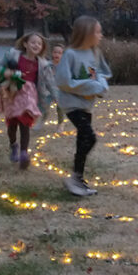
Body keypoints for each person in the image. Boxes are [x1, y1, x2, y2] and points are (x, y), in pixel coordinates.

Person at [56, 16, 112, 197]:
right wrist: (91, 86)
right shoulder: (70, 54)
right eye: (97, 31)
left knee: (82, 140)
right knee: (89, 137)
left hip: (87, 104)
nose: (101, 35)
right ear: (86, 33)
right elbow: (63, 81)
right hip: (72, 104)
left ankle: (77, 178)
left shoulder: (94, 52)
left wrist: (100, 85)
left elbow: (102, 74)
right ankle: (75, 177)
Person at [0, 32, 50, 169]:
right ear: (25, 44)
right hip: (12, 92)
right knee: (12, 124)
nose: (36, 45)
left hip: (29, 94)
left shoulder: (42, 64)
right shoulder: (13, 56)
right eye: (33, 42)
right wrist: (7, 72)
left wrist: (58, 96)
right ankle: (13, 145)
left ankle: (24, 153)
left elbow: (50, 82)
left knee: (25, 121)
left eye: (39, 43)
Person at [50, 42, 66, 125]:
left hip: (59, 89)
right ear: (52, 53)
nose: (57, 54)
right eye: (55, 52)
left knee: (60, 106)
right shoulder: (48, 65)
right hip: (48, 89)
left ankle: (60, 123)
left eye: (59, 53)